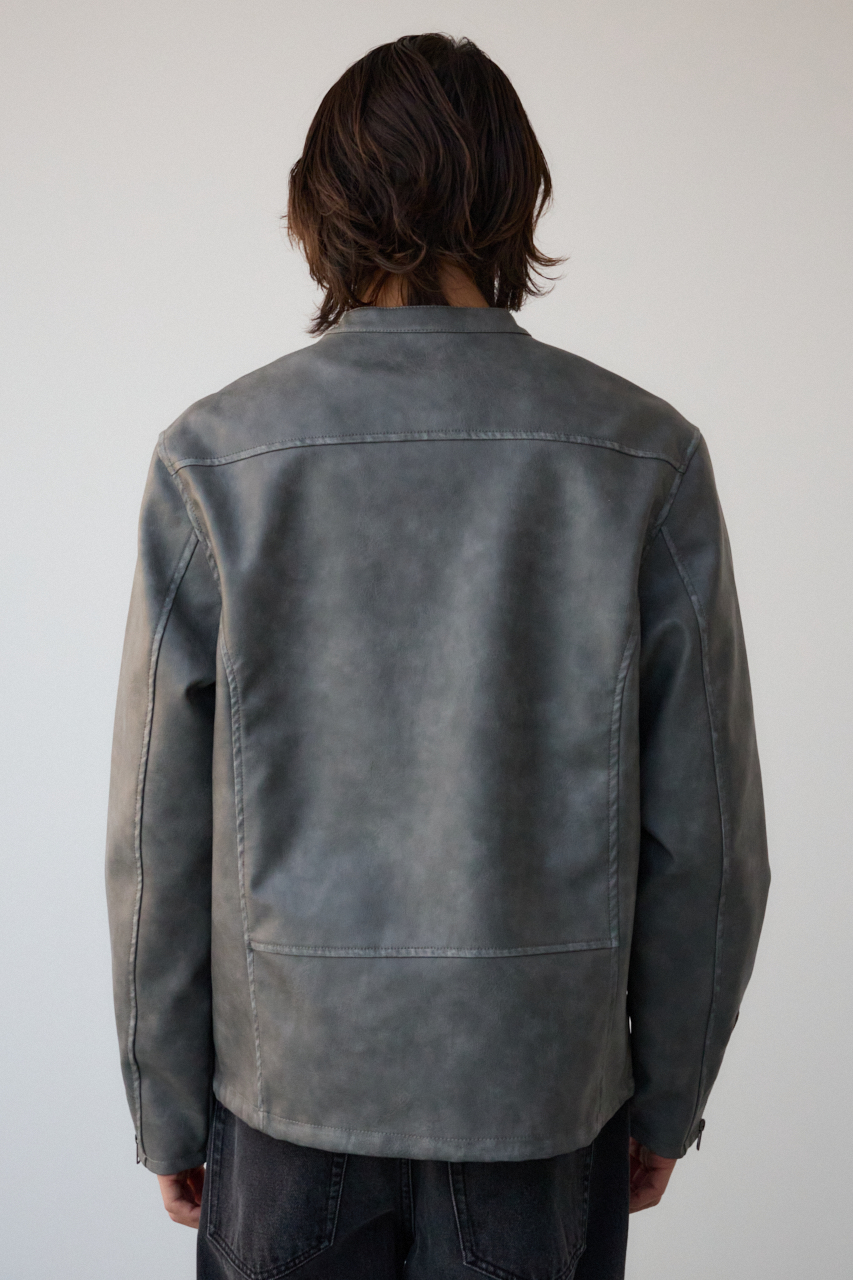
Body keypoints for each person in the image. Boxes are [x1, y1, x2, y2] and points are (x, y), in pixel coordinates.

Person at [106, 33, 770, 1279]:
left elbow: (154, 834)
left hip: (289, 1093)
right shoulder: (642, 455)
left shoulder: (215, 459)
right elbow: (711, 837)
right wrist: (669, 1087)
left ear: (319, 206)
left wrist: (166, 1106)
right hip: (540, 1098)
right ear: (517, 196)